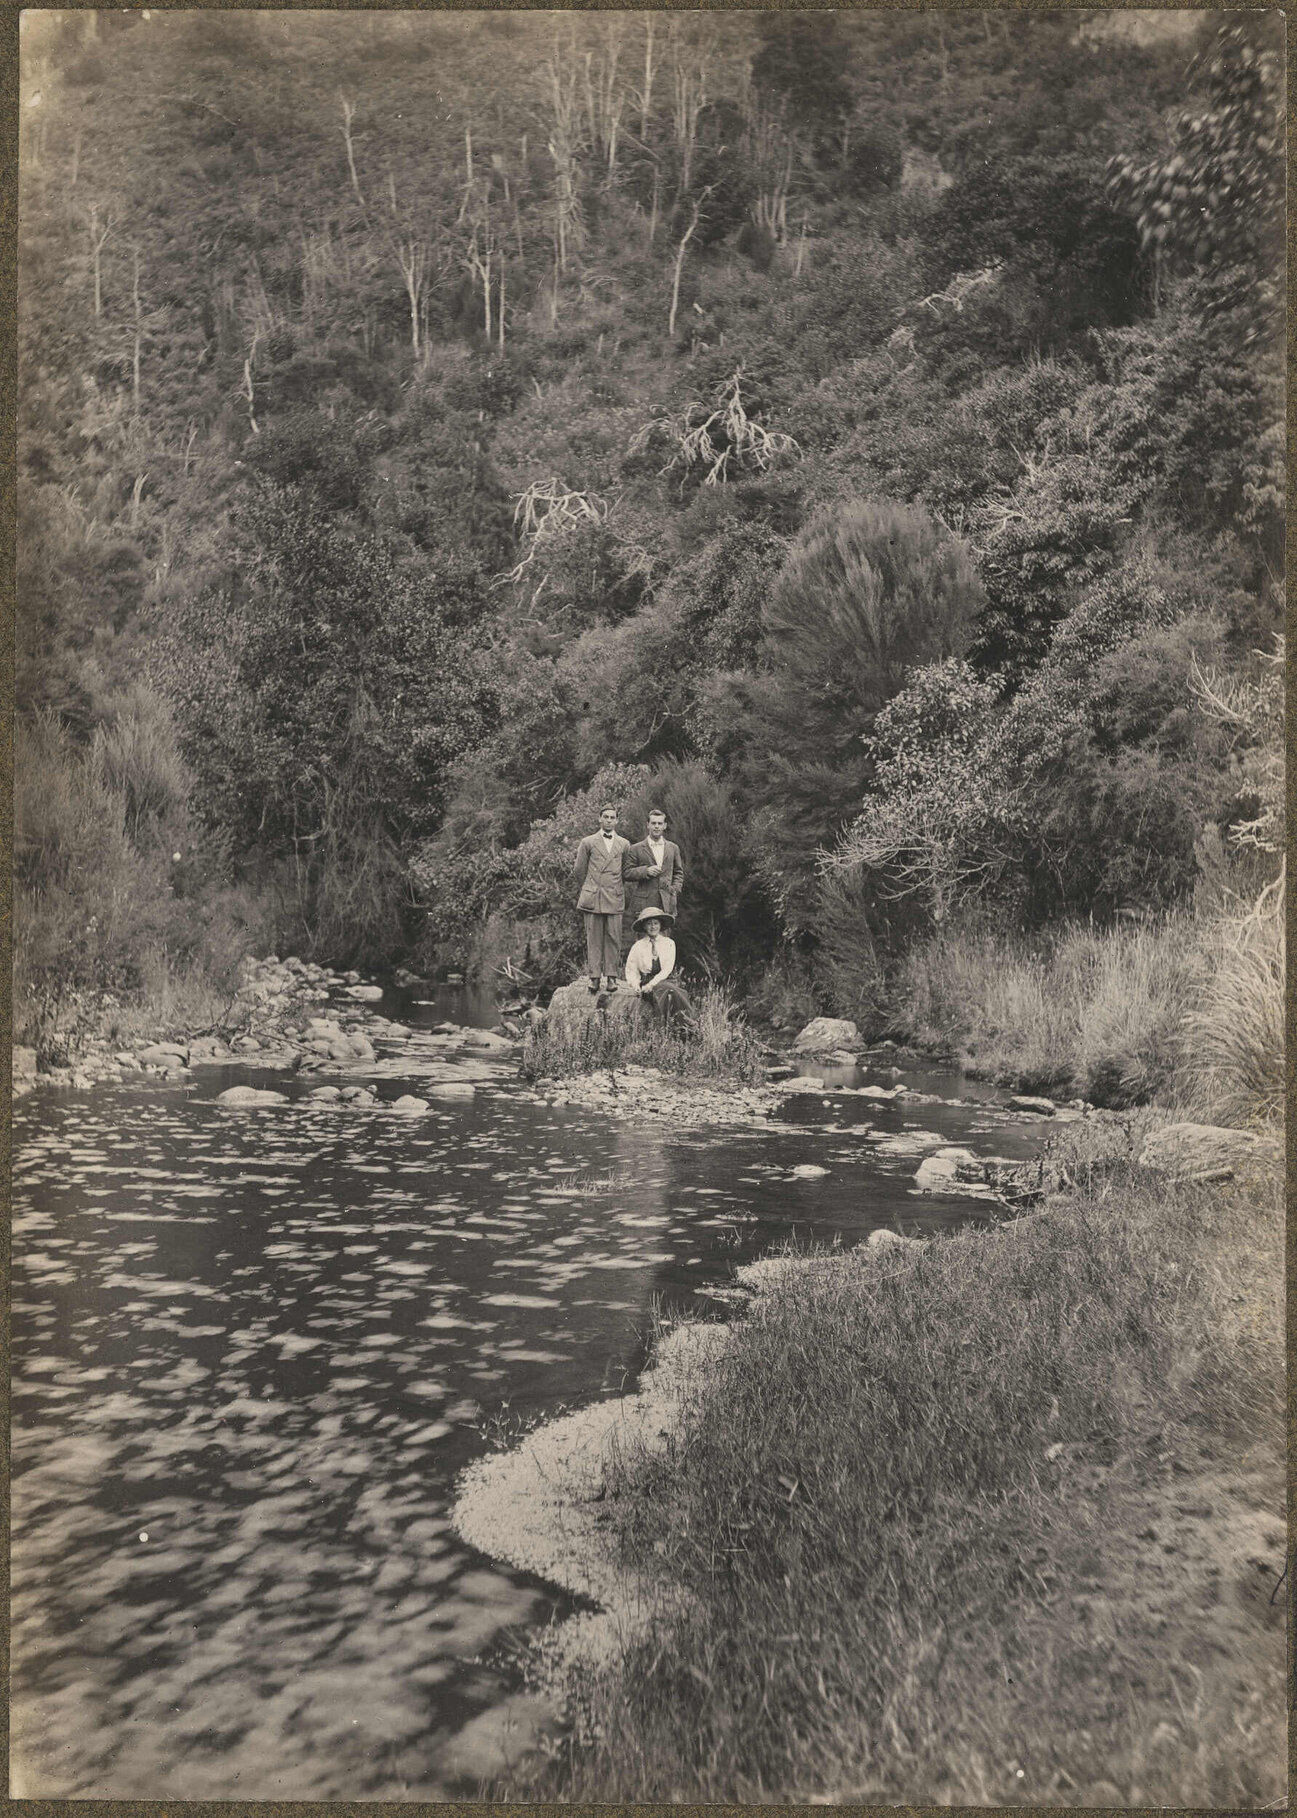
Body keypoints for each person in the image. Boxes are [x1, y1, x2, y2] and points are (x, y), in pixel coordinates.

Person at [573, 803, 631, 993]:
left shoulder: (624, 844)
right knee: (594, 939)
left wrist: (615, 888)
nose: (608, 820)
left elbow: (625, 872)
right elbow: (579, 870)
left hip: (614, 897)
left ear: (617, 820)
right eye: (605, 817)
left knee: (614, 938)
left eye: (612, 817)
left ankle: (612, 978)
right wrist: (590, 887)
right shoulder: (588, 842)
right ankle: (595, 978)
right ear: (599, 819)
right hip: (593, 898)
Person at [624, 906, 693, 1025]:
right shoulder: (638, 946)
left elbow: (667, 969)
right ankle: (678, 1023)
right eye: (649, 924)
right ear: (645, 927)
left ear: (660, 925)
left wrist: (652, 984)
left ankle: (686, 1021)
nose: (653, 927)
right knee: (667, 991)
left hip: (666, 979)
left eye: (656, 923)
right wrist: (636, 985)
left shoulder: (669, 943)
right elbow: (631, 970)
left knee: (672, 990)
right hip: (646, 982)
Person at [625, 808, 684, 925]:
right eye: (653, 823)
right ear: (648, 825)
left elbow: (678, 872)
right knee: (644, 940)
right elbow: (626, 872)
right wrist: (645, 871)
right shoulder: (636, 848)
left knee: (664, 940)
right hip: (644, 903)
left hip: (667, 903)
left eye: (659, 823)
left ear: (665, 826)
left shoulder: (673, 848)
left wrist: (675, 889)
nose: (656, 826)